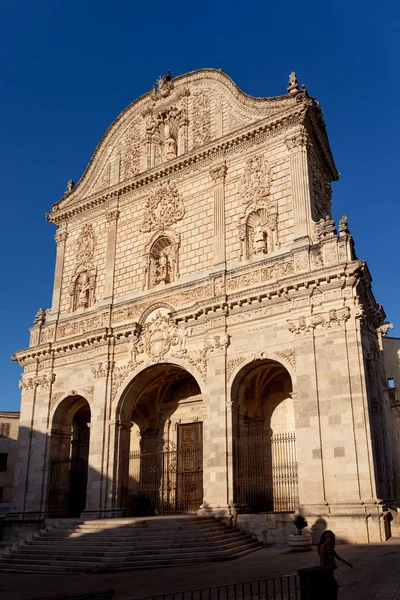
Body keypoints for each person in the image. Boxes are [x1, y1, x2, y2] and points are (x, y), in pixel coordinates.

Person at [318, 530, 352, 599]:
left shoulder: (330, 546)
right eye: (327, 537)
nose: (329, 538)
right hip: (326, 570)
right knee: (334, 587)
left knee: (332, 587)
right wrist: (323, 571)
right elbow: (321, 559)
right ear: (324, 538)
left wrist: (347, 563)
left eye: (330, 536)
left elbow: (336, 556)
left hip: (331, 569)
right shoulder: (323, 546)